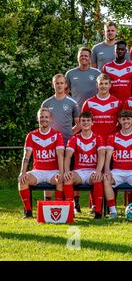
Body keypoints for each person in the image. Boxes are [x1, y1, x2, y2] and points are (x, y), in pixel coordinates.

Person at [41, 74, 80, 209]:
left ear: (65, 85)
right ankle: (48, 202)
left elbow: (79, 123)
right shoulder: (46, 103)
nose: (59, 85)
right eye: (56, 83)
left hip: (68, 144)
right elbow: (43, 122)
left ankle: (76, 203)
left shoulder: (72, 103)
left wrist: (70, 133)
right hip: (51, 144)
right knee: (51, 171)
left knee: (70, 172)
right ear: (53, 85)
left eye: (61, 83)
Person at [18, 108, 65, 218]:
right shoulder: (31, 135)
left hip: (53, 171)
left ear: (50, 119)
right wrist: (22, 172)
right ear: (38, 119)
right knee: (22, 180)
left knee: (60, 180)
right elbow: (26, 156)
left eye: (46, 117)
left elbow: (60, 156)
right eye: (41, 117)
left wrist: (61, 172)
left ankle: (57, 209)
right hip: (38, 171)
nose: (44, 119)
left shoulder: (57, 135)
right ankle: (28, 212)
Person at [103, 110, 132, 220]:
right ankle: (113, 212)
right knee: (106, 179)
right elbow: (108, 156)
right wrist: (107, 170)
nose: (126, 121)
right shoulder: (112, 137)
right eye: (123, 119)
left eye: (128, 119)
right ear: (119, 120)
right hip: (117, 171)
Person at [64, 111, 106, 219]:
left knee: (97, 178)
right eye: (83, 121)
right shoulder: (74, 138)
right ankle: (70, 211)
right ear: (80, 123)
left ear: (92, 123)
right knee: (68, 179)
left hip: (93, 170)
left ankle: (98, 212)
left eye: (88, 120)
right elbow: (67, 156)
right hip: (79, 172)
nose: (86, 123)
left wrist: (98, 171)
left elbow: (102, 155)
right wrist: (67, 171)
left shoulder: (98, 138)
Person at [81, 73, 122, 144]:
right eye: (101, 83)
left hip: (112, 140)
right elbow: (83, 123)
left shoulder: (117, 103)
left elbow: (121, 123)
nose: (103, 86)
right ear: (97, 85)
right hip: (94, 140)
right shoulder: (88, 103)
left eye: (106, 83)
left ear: (110, 85)